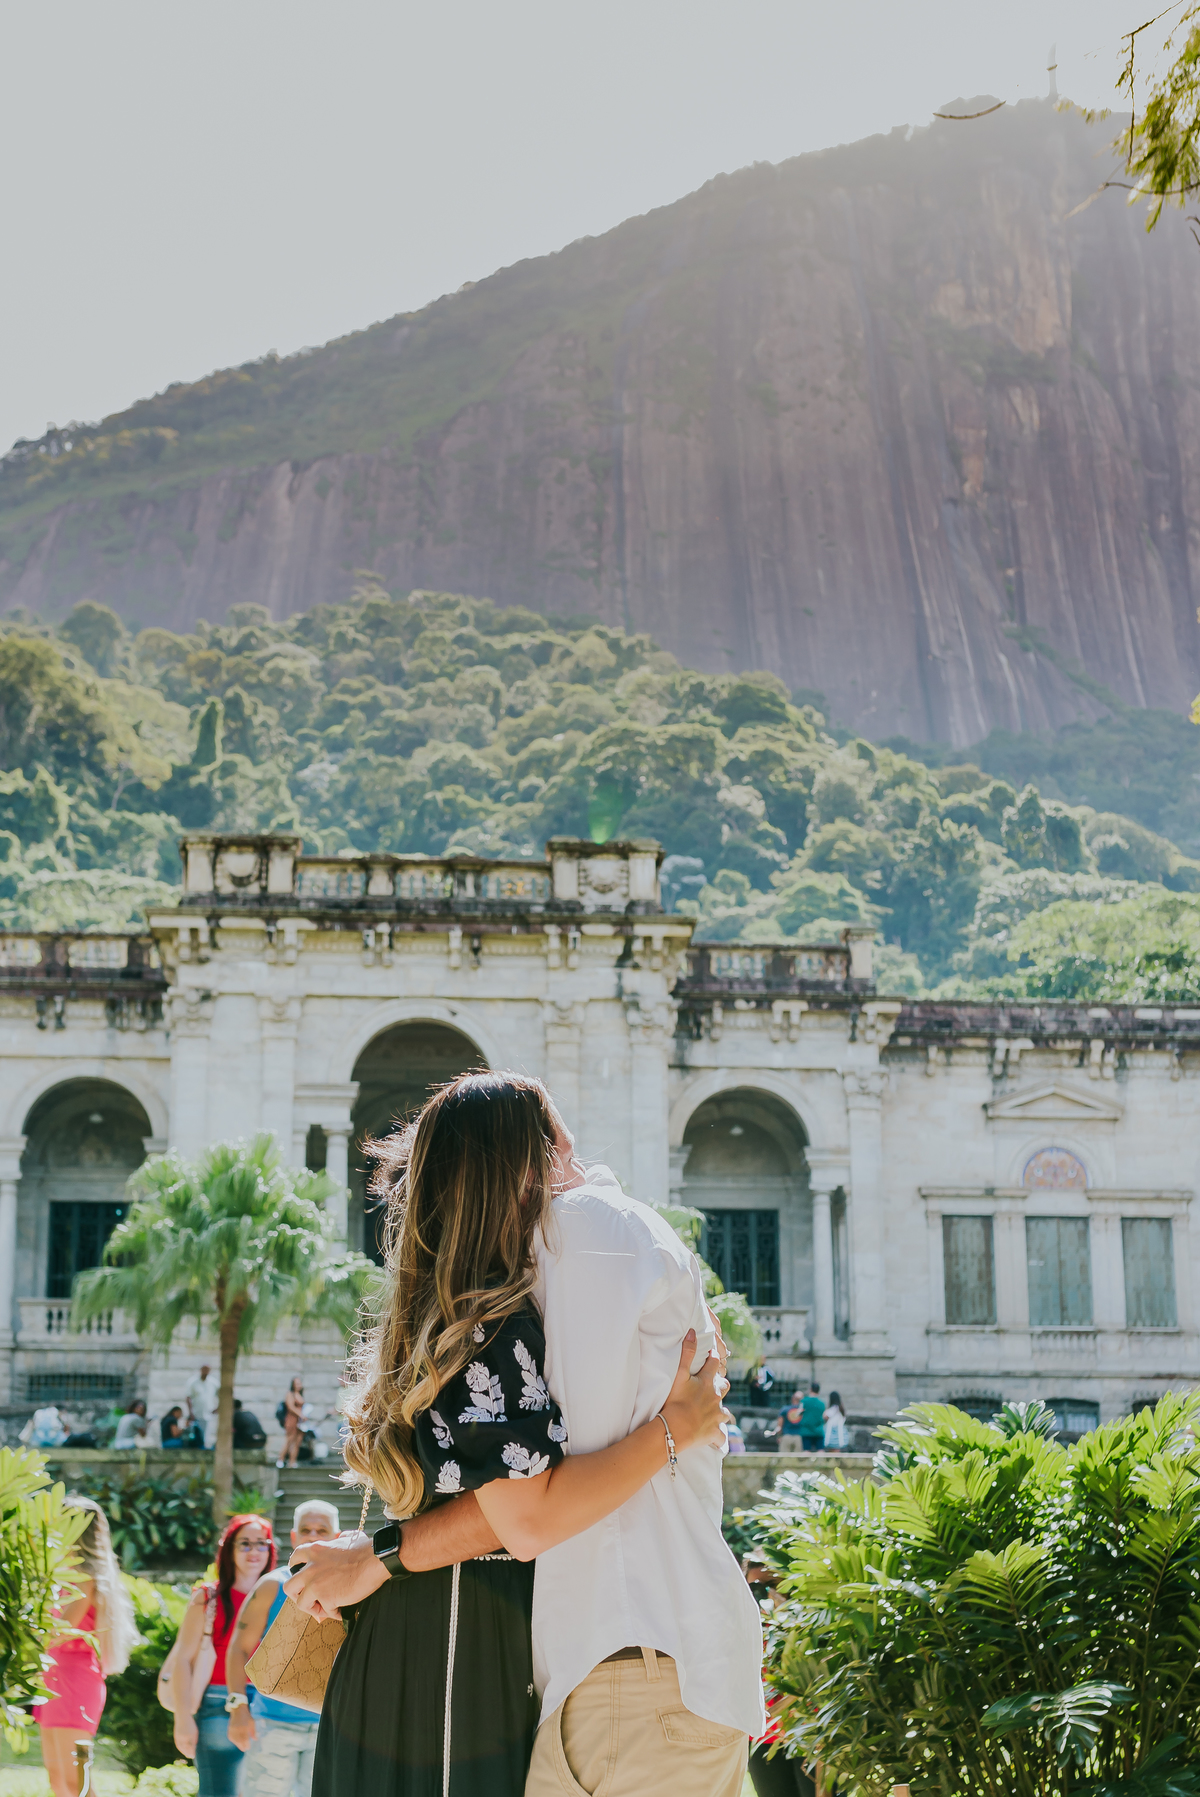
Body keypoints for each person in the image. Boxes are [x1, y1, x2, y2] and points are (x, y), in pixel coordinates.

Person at [287, 1071, 757, 1797]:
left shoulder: (454, 1315)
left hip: (457, 1650)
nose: (572, 1158)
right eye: (553, 1138)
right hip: (464, 1651)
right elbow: (531, 1512)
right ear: (523, 1168)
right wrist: (676, 1425)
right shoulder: (507, 1313)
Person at [224, 1503, 341, 1797]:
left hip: (330, 1725)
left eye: (322, 1530)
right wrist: (238, 1708)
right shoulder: (271, 1585)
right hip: (272, 1722)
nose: (313, 1536)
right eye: (306, 1530)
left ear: (337, 1535)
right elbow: (239, 1648)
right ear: (292, 1536)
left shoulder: (352, 1587)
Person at [36, 1496, 137, 1797]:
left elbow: (58, 1632)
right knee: (58, 1781)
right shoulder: (63, 1574)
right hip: (53, 1680)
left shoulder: (85, 1578)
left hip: (75, 1681)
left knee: (76, 1782)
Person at [171, 1514, 277, 1797]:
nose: (254, 1551)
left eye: (261, 1544)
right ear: (229, 1550)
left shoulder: (283, 1596)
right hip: (218, 1704)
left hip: (270, 1706)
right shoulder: (209, 1598)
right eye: (245, 1544)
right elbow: (182, 1659)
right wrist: (182, 1718)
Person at [187, 1365, 220, 1450]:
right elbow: (188, 1397)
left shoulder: (214, 1382)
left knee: (208, 1432)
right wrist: (191, 1412)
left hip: (209, 1413)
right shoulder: (193, 1382)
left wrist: (218, 1408)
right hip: (197, 1412)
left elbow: (221, 1395)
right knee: (197, 1432)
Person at [278, 1378, 304, 1469]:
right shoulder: (290, 1394)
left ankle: (292, 1461)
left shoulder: (300, 1395)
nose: (298, 1385)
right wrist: (300, 1414)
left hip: (300, 1422)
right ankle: (280, 1459)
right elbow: (290, 1407)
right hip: (291, 1420)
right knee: (289, 1440)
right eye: (296, 1383)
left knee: (297, 1442)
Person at [798, 1381, 826, 1453]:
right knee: (820, 1450)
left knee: (806, 1451)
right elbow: (824, 1416)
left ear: (810, 1389)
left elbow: (798, 1413)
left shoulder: (804, 1401)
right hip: (819, 1430)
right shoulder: (822, 1403)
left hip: (806, 1430)